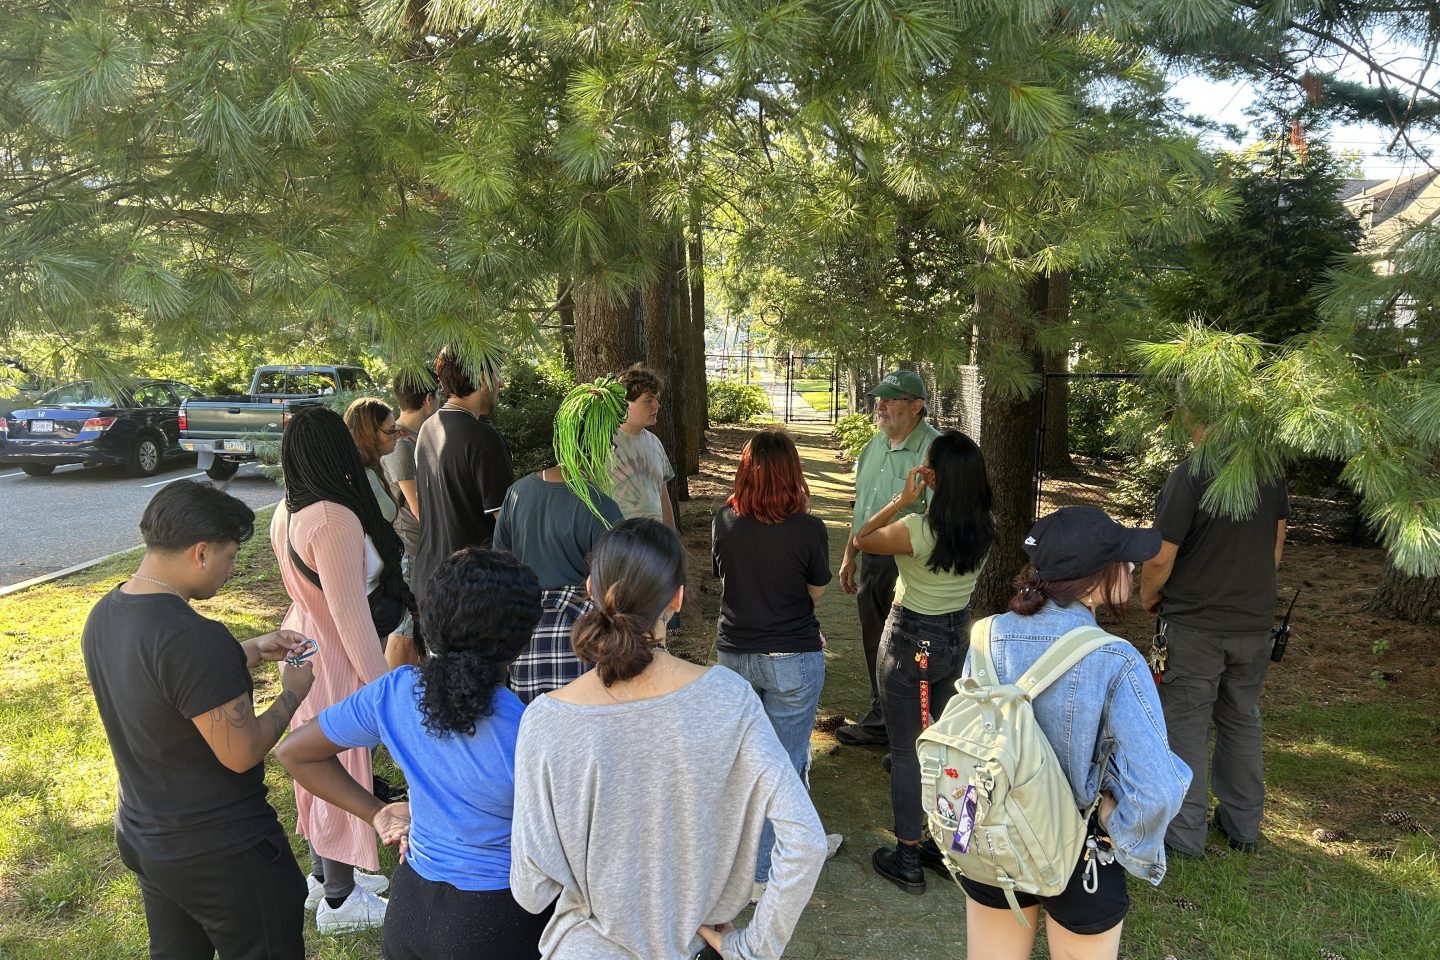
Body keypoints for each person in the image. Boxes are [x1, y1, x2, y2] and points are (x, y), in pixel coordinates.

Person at [510, 519, 828, 960]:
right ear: (676, 599)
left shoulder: (545, 720)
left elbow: (531, 890)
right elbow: (806, 840)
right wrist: (755, 947)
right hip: (696, 944)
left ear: (589, 588)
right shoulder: (729, 699)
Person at [278, 549, 552, 960]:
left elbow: (295, 752)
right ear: (522, 640)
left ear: (429, 621)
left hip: (411, 906)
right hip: (496, 918)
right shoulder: (531, 729)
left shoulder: (397, 691)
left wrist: (377, 812)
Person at [81, 479, 315, 959]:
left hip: (148, 837)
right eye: (230, 558)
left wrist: (246, 651)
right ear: (201, 553)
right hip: (222, 851)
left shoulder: (107, 612)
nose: (231, 571)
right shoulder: (193, 637)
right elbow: (242, 751)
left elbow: (161, 685)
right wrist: (292, 696)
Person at [960, 506, 1191, 960]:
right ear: (1097, 577)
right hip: (1082, 853)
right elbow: (1157, 790)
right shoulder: (1116, 659)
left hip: (992, 834)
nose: (1132, 567)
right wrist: (1117, 826)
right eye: (1124, 560)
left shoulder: (985, 635)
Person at [271, 404, 417, 933]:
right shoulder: (333, 517)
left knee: (315, 766)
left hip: (303, 642)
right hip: (332, 655)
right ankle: (339, 897)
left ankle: (322, 877)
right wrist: (385, 691)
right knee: (339, 766)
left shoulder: (289, 509)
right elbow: (350, 616)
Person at [850, 430, 994, 894]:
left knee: (908, 750)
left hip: (911, 642)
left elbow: (862, 537)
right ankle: (942, 840)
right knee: (945, 746)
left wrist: (902, 499)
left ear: (933, 476)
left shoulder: (918, 531)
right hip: (956, 641)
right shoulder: (985, 529)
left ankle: (908, 854)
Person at [1140, 422, 1289, 857]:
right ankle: (1243, 826)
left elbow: (1160, 556)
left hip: (1194, 627)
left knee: (1185, 726)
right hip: (1254, 625)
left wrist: (1149, 597)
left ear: (1197, 417)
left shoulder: (1190, 474)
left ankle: (1183, 837)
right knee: (1242, 720)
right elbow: (1276, 544)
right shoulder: (1269, 471)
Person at [711, 429, 843, 900]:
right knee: (784, 762)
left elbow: (725, 578)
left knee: (741, 761)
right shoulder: (809, 528)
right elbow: (815, 592)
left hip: (734, 654)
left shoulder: (724, 520)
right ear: (794, 473)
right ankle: (765, 869)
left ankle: (749, 859)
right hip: (792, 656)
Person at [494, 379, 625, 702]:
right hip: (581, 642)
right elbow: (615, 586)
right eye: (609, 441)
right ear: (597, 443)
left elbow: (500, 564)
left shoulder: (518, 492)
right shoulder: (601, 508)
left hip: (522, 637)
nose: (612, 449)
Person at [835, 369, 941, 748]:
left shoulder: (934, 452)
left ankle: (912, 731)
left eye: (891, 399)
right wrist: (850, 554)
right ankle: (881, 719)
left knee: (906, 648)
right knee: (874, 643)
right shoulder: (873, 446)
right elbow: (861, 509)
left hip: (911, 565)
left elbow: (941, 519)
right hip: (872, 562)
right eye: (879, 397)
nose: (880, 404)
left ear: (917, 406)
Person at [413, 346, 514, 602]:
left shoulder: (427, 428)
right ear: (481, 377)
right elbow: (505, 521)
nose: (499, 384)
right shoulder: (482, 438)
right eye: (496, 375)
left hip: (430, 578)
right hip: (472, 586)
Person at [381, 371, 439, 669]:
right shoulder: (401, 444)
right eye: (437, 396)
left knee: (415, 632)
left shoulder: (414, 438)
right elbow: (420, 508)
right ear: (429, 399)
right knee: (403, 631)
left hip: (419, 548)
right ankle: (391, 695)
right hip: (409, 548)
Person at [607, 363, 677, 531]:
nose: (657, 405)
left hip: (655, 544)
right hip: (618, 545)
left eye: (656, 399)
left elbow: (662, 493)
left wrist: (672, 538)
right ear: (625, 404)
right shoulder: (604, 444)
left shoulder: (655, 442)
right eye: (648, 401)